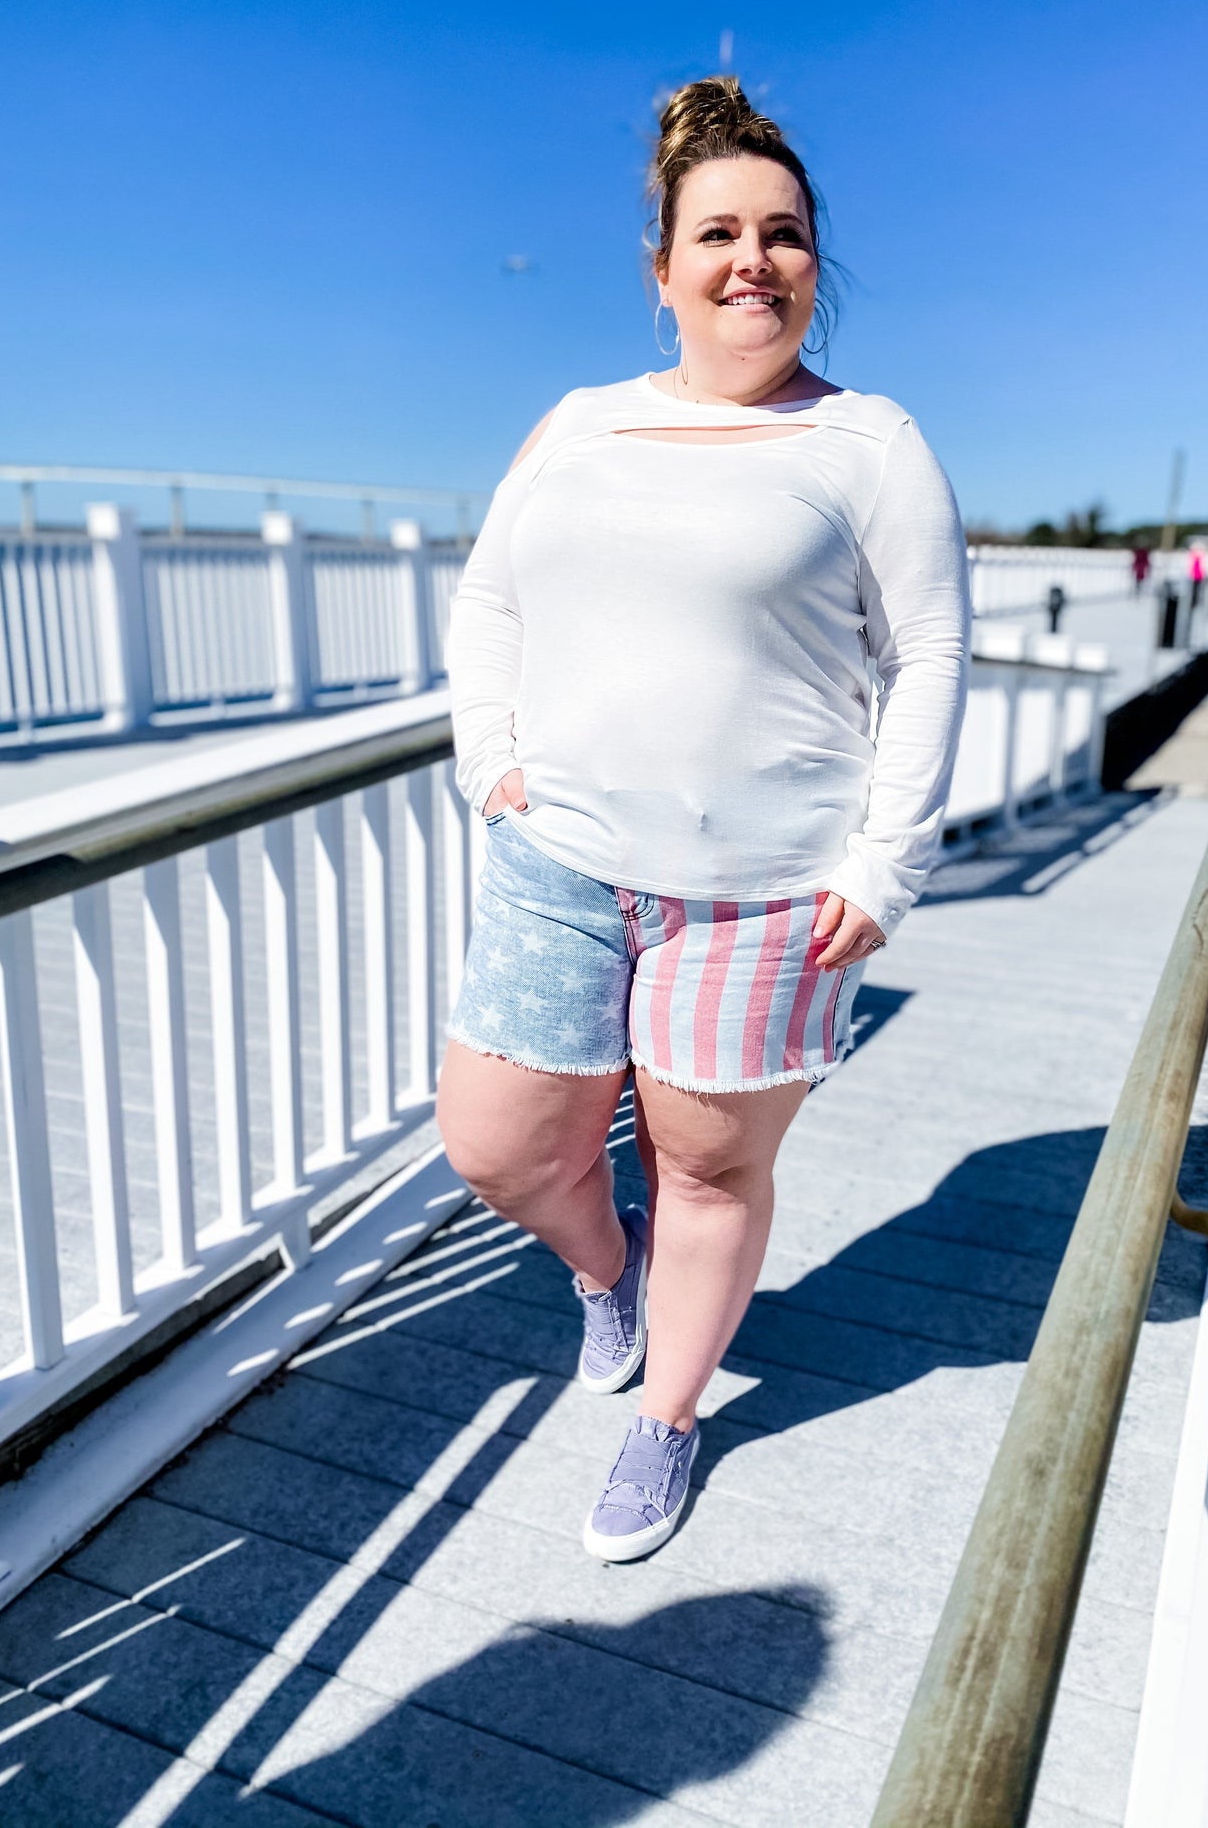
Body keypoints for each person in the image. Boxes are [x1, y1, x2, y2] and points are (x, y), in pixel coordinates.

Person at [437, 76, 971, 1563]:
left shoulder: (866, 443)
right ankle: (603, 1275)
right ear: (664, 268)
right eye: (719, 232)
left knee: (710, 1168)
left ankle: (666, 1418)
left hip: (767, 887)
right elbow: (488, 598)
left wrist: (889, 860)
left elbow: (928, 652)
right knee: (496, 1145)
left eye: (785, 234)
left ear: (815, 264)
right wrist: (489, 753)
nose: (754, 259)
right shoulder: (580, 424)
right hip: (560, 861)